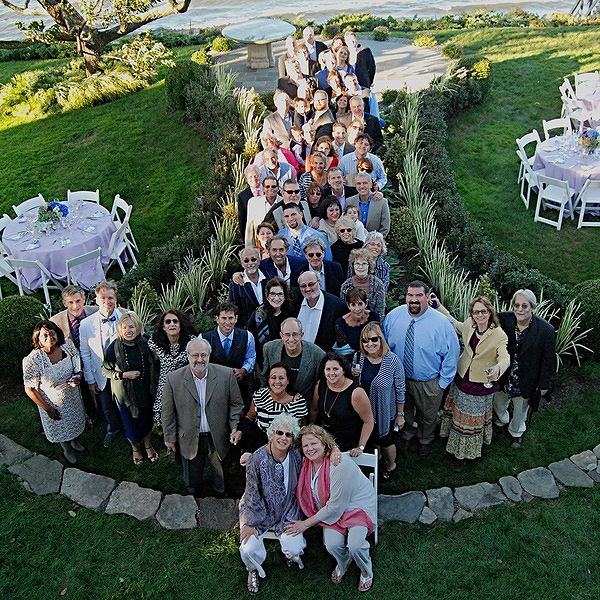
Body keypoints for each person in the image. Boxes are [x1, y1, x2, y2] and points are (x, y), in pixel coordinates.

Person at [285, 424, 376, 592]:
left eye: (314, 443)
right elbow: (280, 452)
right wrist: (250, 455)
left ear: (324, 444)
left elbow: (335, 507)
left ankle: (366, 570)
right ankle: (344, 562)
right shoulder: (307, 462)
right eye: (305, 445)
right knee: (332, 545)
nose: (309, 449)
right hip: (330, 506)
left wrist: (305, 524)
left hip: (355, 506)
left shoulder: (340, 465)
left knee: (355, 545)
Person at [383, 281, 460, 457]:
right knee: (404, 410)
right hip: (400, 379)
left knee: (428, 415)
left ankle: (425, 438)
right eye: (410, 295)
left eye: (419, 295)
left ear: (427, 297)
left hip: (428, 382)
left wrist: (442, 383)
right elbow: (385, 346)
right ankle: (407, 433)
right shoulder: (393, 317)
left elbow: (452, 355)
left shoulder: (442, 323)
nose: (414, 300)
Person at [161, 338, 244, 498]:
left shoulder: (226, 375)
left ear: (209, 355)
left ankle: (222, 493)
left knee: (221, 473)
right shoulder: (173, 379)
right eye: (195, 355)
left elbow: (236, 404)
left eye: (203, 355)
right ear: (188, 356)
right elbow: (168, 412)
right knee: (192, 476)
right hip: (189, 437)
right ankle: (194, 495)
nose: (200, 359)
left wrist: (234, 426)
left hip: (218, 436)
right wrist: (169, 437)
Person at [435, 296, 510, 460]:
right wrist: (439, 306)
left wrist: (498, 368)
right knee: (458, 412)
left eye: (483, 311)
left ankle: (468, 450)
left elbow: (505, 357)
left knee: (472, 419)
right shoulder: (470, 323)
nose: (480, 315)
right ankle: (451, 437)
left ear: (490, 312)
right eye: (476, 312)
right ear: (472, 313)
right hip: (462, 377)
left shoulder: (499, 335)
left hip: (481, 383)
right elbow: (456, 325)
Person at [239, 414, 306, 594]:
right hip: (260, 511)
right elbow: (252, 493)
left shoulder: (297, 456)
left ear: (293, 439)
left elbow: (321, 450)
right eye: (280, 433)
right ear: (272, 434)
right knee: (248, 548)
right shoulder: (257, 458)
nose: (283, 437)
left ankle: (289, 554)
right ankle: (252, 569)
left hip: (288, 511)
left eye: (288, 434)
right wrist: (250, 523)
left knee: (295, 547)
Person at [494, 289, 556, 449]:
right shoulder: (504, 319)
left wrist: (543, 385)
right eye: (516, 305)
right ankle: (501, 420)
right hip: (504, 375)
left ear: (533, 308)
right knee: (499, 402)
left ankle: (516, 432)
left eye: (524, 306)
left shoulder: (546, 331)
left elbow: (548, 361)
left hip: (527, 378)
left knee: (521, 409)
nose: (519, 310)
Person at [23, 320, 87, 465]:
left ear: (57, 333)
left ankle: (75, 443)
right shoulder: (32, 360)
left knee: (74, 423)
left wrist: (78, 375)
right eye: (44, 336)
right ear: (37, 339)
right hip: (53, 402)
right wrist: (48, 409)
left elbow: (77, 361)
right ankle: (67, 451)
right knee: (62, 428)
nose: (49, 338)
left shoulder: (67, 345)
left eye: (52, 334)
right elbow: (30, 389)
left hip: (72, 396)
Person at [102, 314, 158, 465]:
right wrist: (124, 374)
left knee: (146, 421)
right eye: (124, 327)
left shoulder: (146, 341)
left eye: (131, 327)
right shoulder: (114, 347)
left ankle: (147, 445)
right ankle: (135, 449)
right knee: (130, 425)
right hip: (125, 395)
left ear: (138, 327)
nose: (128, 331)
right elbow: (105, 370)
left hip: (145, 390)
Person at [355, 322, 405, 479]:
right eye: (365, 340)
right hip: (365, 411)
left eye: (374, 339)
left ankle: (391, 466)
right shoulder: (359, 358)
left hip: (385, 412)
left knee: (386, 441)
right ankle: (378, 459)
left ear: (381, 340)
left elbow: (400, 388)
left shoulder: (392, 360)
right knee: (373, 439)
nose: (370, 344)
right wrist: (353, 374)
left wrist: (400, 414)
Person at [79, 280, 126, 447]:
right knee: (107, 406)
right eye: (103, 298)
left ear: (116, 298)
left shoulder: (126, 319)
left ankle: (129, 431)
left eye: (111, 298)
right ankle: (113, 429)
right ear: (96, 300)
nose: (107, 302)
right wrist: (90, 379)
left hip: (122, 373)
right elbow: (85, 353)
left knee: (125, 403)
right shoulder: (85, 324)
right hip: (101, 374)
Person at [50, 285, 99, 425]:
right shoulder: (55, 322)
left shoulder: (96, 312)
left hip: (96, 357)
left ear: (84, 299)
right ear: (64, 303)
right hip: (74, 364)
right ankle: (92, 415)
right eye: (70, 302)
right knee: (84, 390)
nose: (75, 306)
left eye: (78, 301)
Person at [310, 353, 374, 453]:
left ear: (343, 370)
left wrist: (360, 447)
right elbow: (314, 409)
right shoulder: (320, 384)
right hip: (325, 440)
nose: (331, 373)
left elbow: (368, 421)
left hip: (349, 444)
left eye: (335, 369)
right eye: (328, 369)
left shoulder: (356, 392)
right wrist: (311, 430)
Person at [238, 363, 308, 453]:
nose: (277, 382)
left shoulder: (298, 402)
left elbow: (302, 428)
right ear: (268, 380)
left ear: (288, 380)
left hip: (287, 448)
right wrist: (239, 431)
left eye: (281, 378)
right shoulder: (260, 396)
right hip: (260, 444)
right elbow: (250, 417)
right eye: (273, 378)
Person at [201, 302, 256, 410]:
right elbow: (200, 362)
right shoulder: (203, 338)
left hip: (239, 387)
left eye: (230, 318)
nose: (227, 322)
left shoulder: (247, 336)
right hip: (213, 388)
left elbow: (251, 357)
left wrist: (244, 370)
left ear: (236, 318)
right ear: (217, 319)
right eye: (224, 318)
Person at [148, 309, 197, 426]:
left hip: (185, 383)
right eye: (168, 322)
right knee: (167, 417)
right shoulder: (155, 342)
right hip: (165, 384)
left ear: (181, 324)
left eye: (175, 321)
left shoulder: (192, 341)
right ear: (163, 327)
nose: (172, 324)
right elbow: (153, 361)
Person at [262, 317, 325, 404]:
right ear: (281, 335)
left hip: (303, 403)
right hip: (274, 401)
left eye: (295, 334)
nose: (291, 339)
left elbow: (318, 385)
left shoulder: (317, 354)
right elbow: (264, 377)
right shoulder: (269, 348)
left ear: (302, 335)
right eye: (287, 335)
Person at [247, 277, 294, 368]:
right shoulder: (258, 316)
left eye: (280, 294)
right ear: (267, 296)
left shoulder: (291, 313)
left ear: (285, 296)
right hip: (264, 362)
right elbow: (252, 344)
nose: (276, 298)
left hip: (287, 362)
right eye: (272, 294)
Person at [295, 271, 347, 352]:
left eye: (311, 284)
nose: (308, 289)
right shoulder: (294, 302)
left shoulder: (337, 306)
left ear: (319, 283)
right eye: (303, 286)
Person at [228, 247, 268, 327]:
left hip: (272, 327)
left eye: (253, 259)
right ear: (242, 263)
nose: (250, 263)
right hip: (250, 329)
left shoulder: (269, 276)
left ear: (259, 260)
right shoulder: (236, 285)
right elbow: (234, 311)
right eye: (246, 261)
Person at [340, 248, 386, 318]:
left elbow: (380, 310)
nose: (360, 267)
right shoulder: (346, 286)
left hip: (372, 325)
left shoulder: (378, 284)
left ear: (369, 265)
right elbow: (344, 310)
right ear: (353, 265)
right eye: (357, 263)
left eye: (364, 263)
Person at [335, 288, 379, 353]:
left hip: (374, 353)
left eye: (360, 304)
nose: (357, 309)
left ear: (366, 303)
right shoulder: (340, 324)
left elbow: (378, 340)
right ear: (348, 305)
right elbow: (344, 351)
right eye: (353, 305)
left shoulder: (374, 317)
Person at [346, 173, 390, 237]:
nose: (362, 186)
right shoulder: (349, 202)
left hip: (374, 244)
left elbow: (385, 228)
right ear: (355, 186)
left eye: (365, 183)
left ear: (371, 185)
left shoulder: (382, 202)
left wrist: (374, 242)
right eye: (359, 183)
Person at [245, 176, 282, 246]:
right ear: (263, 188)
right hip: (260, 247)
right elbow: (250, 229)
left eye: (273, 186)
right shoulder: (253, 203)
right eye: (267, 187)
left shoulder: (284, 202)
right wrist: (249, 248)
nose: (270, 189)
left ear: (278, 188)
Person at [237, 165, 263, 237]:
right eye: (250, 177)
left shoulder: (268, 189)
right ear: (246, 179)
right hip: (253, 233)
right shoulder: (242, 196)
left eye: (256, 176)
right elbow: (242, 219)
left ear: (260, 176)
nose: (254, 179)